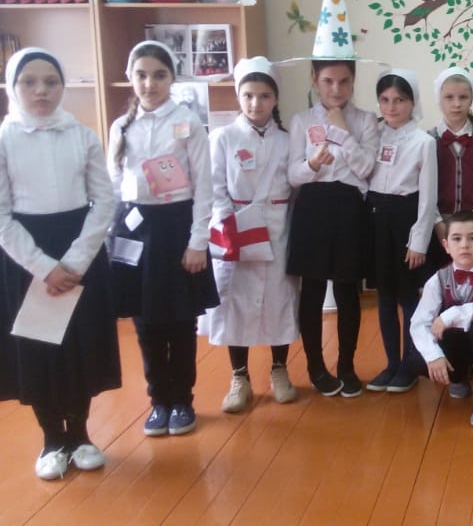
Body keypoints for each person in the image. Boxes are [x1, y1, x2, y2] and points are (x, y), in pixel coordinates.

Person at [0, 48, 119, 479]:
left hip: (79, 251)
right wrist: (43, 266)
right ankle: (52, 438)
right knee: (40, 349)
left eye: (51, 82)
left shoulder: (82, 135)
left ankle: (81, 434)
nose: (41, 90)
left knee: (80, 345)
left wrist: (75, 261)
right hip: (25, 255)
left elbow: (104, 200)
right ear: (12, 87)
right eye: (29, 82)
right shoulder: (4, 139)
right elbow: (1, 215)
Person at [108, 41, 218, 437]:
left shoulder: (187, 122)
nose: (149, 83)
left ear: (172, 78)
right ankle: (159, 401)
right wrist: (110, 238)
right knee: (145, 323)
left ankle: (183, 400)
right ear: (129, 77)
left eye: (159, 75)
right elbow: (114, 185)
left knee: (180, 321)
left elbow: (204, 186)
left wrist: (198, 241)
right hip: (134, 229)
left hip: (177, 228)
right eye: (141, 75)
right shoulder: (121, 127)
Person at [203, 57, 299, 414]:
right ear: (238, 97)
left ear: (275, 99)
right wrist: (227, 222)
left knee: (279, 299)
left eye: (264, 96)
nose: (256, 103)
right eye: (248, 95)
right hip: (238, 229)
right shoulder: (222, 137)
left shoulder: (288, 140)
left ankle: (279, 369)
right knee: (237, 304)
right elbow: (214, 186)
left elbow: (297, 185)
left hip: (277, 229)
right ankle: (239, 376)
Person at [286, 58, 378, 398]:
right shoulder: (301, 121)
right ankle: (316, 367)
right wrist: (311, 164)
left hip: (350, 208)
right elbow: (291, 175)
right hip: (312, 207)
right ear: (314, 79)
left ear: (353, 81)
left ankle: (347, 366)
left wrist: (342, 131)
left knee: (347, 289)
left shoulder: (365, 120)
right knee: (311, 289)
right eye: (328, 81)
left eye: (344, 81)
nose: (336, 89)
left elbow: (367, 169)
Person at [365, 69, 437, 393]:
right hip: (375, 219)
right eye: (385, 100)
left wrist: (419, 240)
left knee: (407, 296)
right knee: (383, 295)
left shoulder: (423, 142)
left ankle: (410, 363)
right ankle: (391, 362)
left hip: (406, 219)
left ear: (413, 102)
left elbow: (428, 197)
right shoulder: (372, 136)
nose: (391, 107)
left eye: (400, 100)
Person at [410, 210, 473, 426]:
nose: (464, 245)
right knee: (416, 357)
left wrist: (451, 315)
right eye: (457, 239)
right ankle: (458, 376)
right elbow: (419, 323)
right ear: (446, 246)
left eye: (472, 238)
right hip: (458, 344)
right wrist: (434, 356)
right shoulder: (438, 279)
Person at [425, 67, 473, 273]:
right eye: (449, 97)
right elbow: (426, 190)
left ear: (471, 99)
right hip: (439, 227)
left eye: (463, 97)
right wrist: (438, 224)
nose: (456, 104)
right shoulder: (428, 139)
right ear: (439, 99)